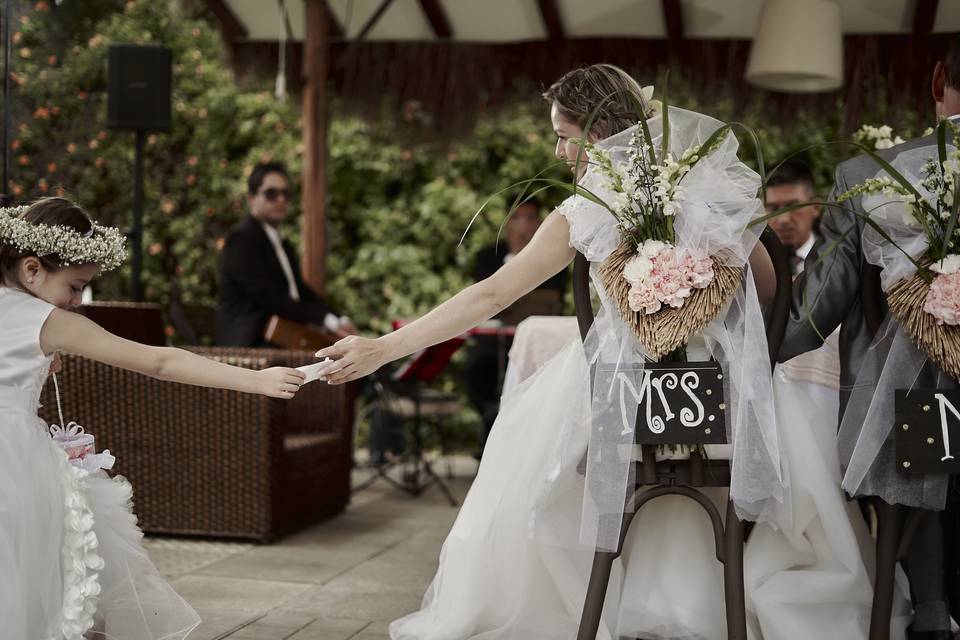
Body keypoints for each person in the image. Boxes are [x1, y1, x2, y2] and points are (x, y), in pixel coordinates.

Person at [316, 63, 872, 639]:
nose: (559, 152)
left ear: (601, 131)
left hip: (620, 399)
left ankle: (605, 597)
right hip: (726, 399)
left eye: (563, 134)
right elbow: (772, 297)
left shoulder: (585, 211)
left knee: (533, 462)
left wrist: (386, 347)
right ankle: (715, 595)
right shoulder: (716, 193)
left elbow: (492, 293)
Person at [0, 197, 305, 639]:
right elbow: (158, 362)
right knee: (33, 577)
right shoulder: (48, 320)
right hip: (13, 460)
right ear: (32, 269)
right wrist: (255, 380)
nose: (78, 300)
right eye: (75, 286)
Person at [780, 38, 960, 640]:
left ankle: (931, 609)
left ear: (938, 81)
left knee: (918, 419)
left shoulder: (870, 179)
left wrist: (736, 344)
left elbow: (814, 311)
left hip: (920, 412)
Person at [463, 198, 567, 455]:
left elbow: (550, 299)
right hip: (494, 338)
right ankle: (491, 416)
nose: (523, 225)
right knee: (473, 367)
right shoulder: (488, 256)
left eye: (530, 218)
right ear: (507, 223)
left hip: (533, 338)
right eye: (517, 218)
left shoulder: (554, 256)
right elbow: (485, 297)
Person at [216, 161, 356, 347]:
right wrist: (328, 321)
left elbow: (301, 292)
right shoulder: (242, 240)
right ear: (251, 198)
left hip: (282, 339)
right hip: (250, 345)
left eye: (286, 194)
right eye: (271, 194)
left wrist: (339, 319)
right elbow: (270, 298)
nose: (281, 200)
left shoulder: (283, 244)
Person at [766, 159, 821, 277]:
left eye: (793, 207)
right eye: (773, 208)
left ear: (815, 207)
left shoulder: (839, 258)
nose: (783, 220)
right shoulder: (750, 266)